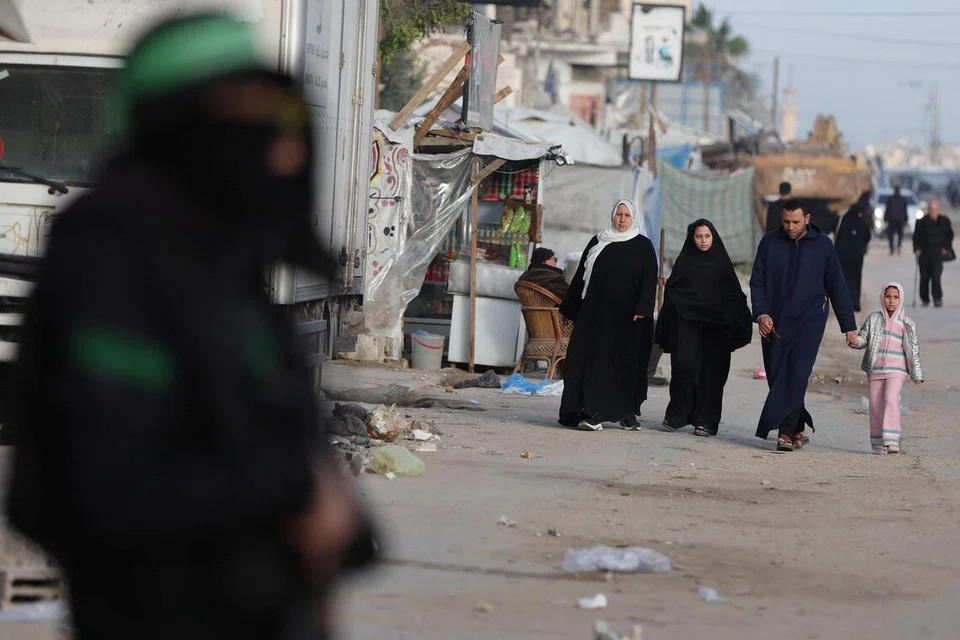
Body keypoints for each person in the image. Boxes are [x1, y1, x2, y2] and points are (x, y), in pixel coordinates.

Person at [3, 14, 377, 640]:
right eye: (255, 120)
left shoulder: (223, 254)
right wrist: (289, 491)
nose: (283, 150)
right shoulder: (109, 253)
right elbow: (108, 487)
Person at [750, 199, 858, 452]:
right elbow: (757, 281)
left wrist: (848, 327)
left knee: (797, 374)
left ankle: (784, 434)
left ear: (807, 219)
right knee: (777, 375)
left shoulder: (823, 246)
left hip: (810, 321)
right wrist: (761, 314)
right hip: (774, 322)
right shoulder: (770, 242)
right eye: (786, 222)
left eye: (795, 222)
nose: (790, 227)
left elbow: (837, 287)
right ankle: (798, 425)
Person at [559, 199, 658, 431]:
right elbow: (582, 275)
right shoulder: (599, 240)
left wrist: (643, 309)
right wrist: (570, 308)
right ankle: (590, 412)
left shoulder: (642, 245)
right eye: (619, 214)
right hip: (594, 315)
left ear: (634, 218)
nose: (622, 220)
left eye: (627, 215)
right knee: (589, 363)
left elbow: (648, 281)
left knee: (623, 366)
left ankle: (625, 412)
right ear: (613, 215)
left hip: (627, 319)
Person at [655, 219, 752, 437]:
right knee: (684, 368)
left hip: (715, 330)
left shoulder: (721, 264)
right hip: (687, 326)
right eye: (699, 236)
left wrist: (735, 321)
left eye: (707, 236)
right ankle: (678, 415)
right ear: (692, 238)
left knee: (712, 375)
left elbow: (733, 296)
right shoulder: (685, 262)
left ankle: (705, 421)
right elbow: (675, 291)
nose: (703, 241)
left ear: (714, 238)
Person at [848, 282, 923, 454]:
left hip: (897, 370)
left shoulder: (906, 324)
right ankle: (877, 443)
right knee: (875, 405)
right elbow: (863, 340)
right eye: (888, 297)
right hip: (874, 370)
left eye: (895, 297)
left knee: (890, 399)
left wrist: (916, 374)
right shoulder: (873, 319)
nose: (891, 301)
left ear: (901, 299)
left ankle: (891, 440)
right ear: (883, 297)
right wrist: (854, 341)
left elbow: (913, 351)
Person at [835, 191, 873, 312]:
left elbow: (836, 234)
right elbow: (868, 236)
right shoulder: (861, 222)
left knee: (843, 279)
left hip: (842, 255)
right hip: (857, 256)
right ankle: (855, 301)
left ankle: (843, 304)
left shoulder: (842, 220)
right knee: (856, 279)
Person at [913, 199, 954, 308]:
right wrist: (917, 248)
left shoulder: (944, 221)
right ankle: (925, 298)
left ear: (938, 210)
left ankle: (937, 298)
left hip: (937, 255)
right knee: (924, 277)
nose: (933, 212)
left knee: (936, 277)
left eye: (935, 210)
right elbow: (916, 237)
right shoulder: (921, 222)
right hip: (924, 255)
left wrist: (946, 247)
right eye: (931, 210)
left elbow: (949, 236)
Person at [884, 186, 909, 255]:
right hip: (900, 220)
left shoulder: (890, 199)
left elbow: (887, 210)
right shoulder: (902, 199)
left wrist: (885, 218)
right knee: (900, 234)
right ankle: (898, 246)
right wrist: (906, 219)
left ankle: (892, 248)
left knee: (891, 235)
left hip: (891, 219)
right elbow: (905, 211)